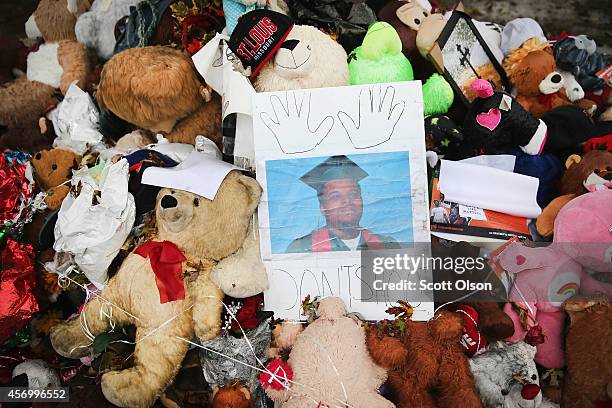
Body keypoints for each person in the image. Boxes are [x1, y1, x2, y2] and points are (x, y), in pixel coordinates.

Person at [286, 155, 400, 253]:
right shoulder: (302, 248)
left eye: (353, 194)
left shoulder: (388, 246)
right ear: (323, 207)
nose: (347, 201)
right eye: (335, 196)